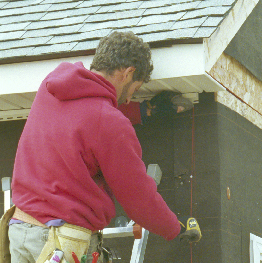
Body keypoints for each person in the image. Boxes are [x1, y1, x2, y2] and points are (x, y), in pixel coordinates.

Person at [5, 31, 200, 263]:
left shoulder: (53, 85)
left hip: (20, 231)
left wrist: (142, 111)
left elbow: (82, 113)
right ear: (128, 73)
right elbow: (137, 198)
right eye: (134, 89)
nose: (128, 100)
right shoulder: (109, 123)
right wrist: (173, 227)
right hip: (61, 242)